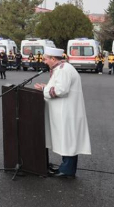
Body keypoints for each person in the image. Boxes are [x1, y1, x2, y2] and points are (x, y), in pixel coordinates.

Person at [33, 48, 91, 178]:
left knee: (68, 140)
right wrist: (45, 87)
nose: (44, 61)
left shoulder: (64, 70)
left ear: (53, 58)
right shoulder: (62, 68)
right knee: (67, 139)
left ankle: (67, 171)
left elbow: (61, 90)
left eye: (46, 58)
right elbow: (58, 87)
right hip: (64, 111)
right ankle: (65, 167)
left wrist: (44, 90)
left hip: (66, 112)